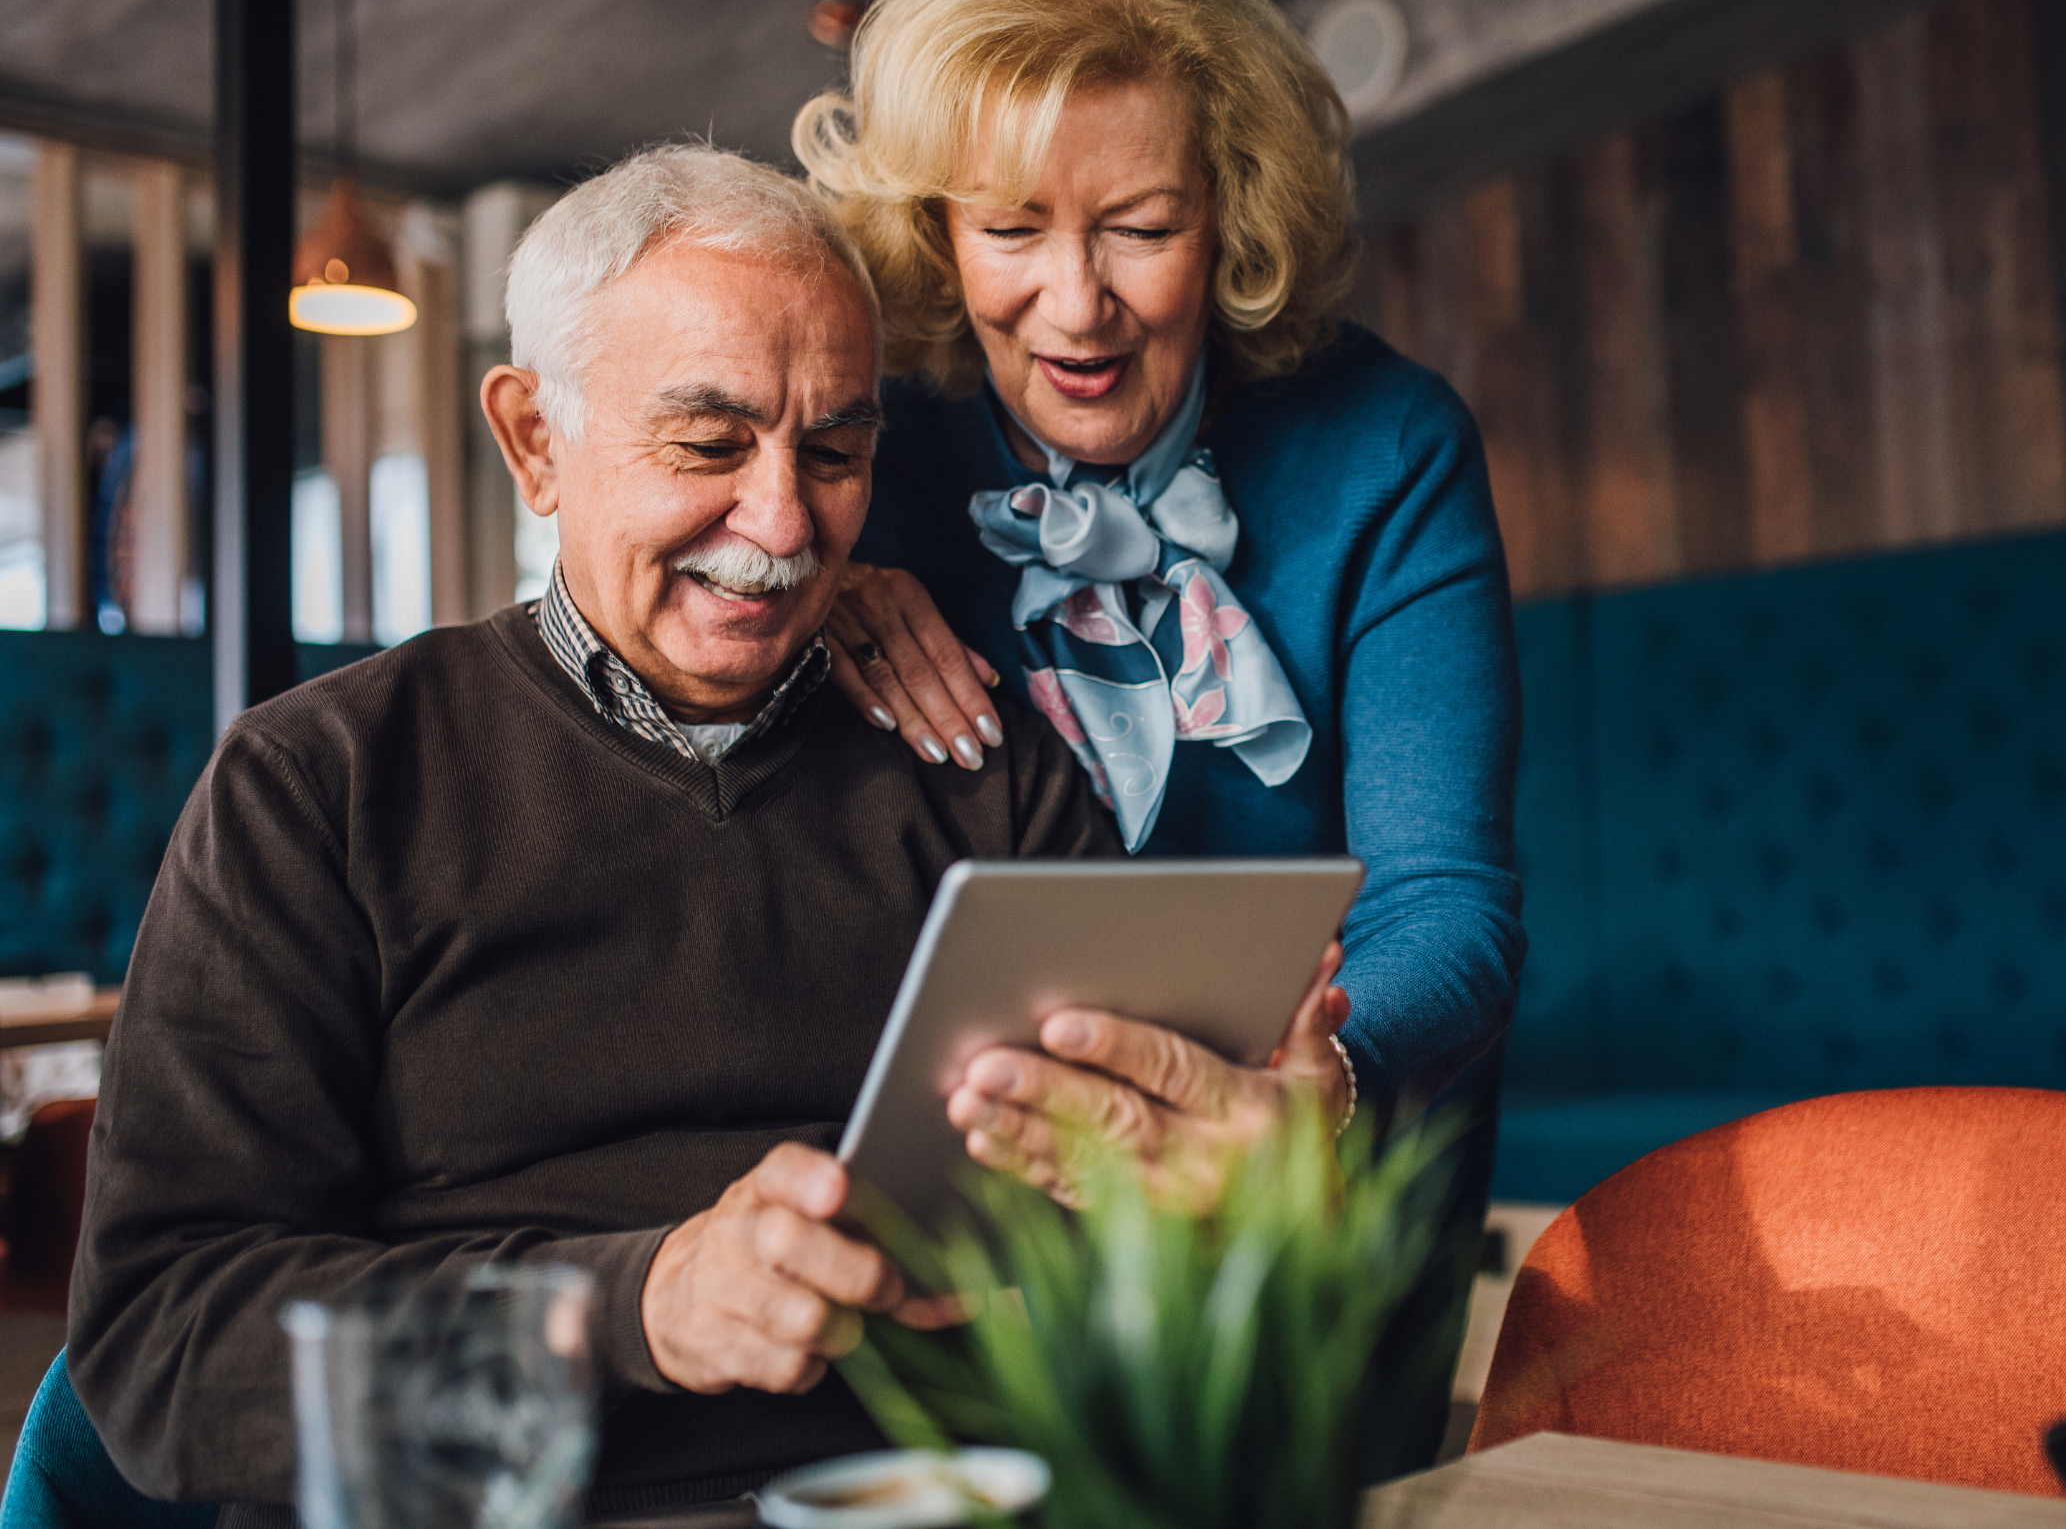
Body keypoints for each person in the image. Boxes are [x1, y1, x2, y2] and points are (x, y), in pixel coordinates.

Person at [64, 146, 1353, 1518]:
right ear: (533, 440)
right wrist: (637, 1307)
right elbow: (161, 1338)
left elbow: (1136, 1289)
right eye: (708, 442)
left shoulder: (987, 769)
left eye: (837, 450)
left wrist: (1246, 1187)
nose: (786, 522)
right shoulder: (315, 785)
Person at [792, 0, 1524, 1203]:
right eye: (1011, 231)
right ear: (934, 229)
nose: (1078, 306)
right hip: (979, 1185)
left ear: (1232, 218)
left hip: (1317, 1172)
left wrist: (1319, 1097)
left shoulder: (1385, 445)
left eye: (1140, 227)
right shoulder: (856, 461)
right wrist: (810, 589)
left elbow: (1446, 899)